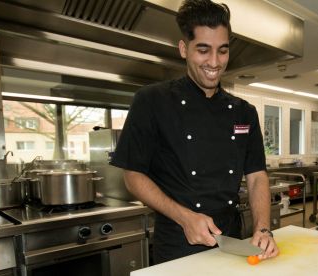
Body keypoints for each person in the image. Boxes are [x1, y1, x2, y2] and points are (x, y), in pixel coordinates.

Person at [111, 0, 279, 264]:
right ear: (183, 49)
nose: (214, 62)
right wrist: (185, 217)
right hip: (178, 242)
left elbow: (257, 176)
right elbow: (132, 175)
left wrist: (263, 228)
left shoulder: (244, 112)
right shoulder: (152, 101)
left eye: (222, 51)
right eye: (203, 50)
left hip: (232, 241)